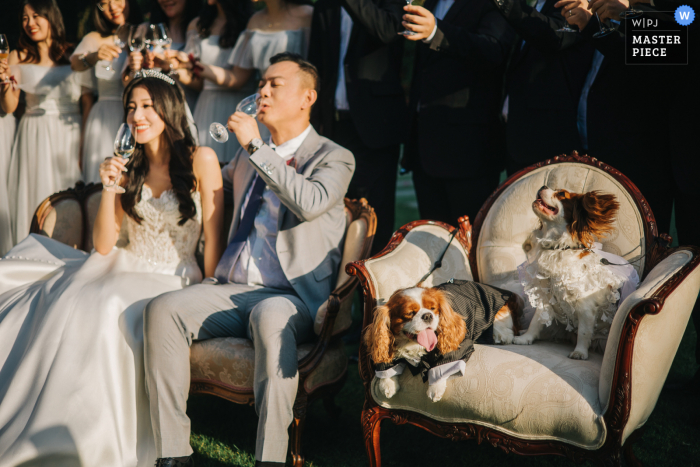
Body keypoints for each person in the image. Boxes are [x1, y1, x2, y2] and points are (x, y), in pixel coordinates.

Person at [0, 73, 224, 466]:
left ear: (168, 109)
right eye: (131, 107)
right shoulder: (127, 163)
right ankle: (47, 418)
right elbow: (103, 244)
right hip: (123, 261)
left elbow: (213, 237)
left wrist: (210, 290)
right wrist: (109, 188)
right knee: (68, 294)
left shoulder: (201, 159)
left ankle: (92, 439)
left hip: (175, 275)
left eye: (147, 106)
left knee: (104, 302)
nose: (136, 115)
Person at [143, 53, 354, 467]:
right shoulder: (247, 154)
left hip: (289, 295)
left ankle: (270, 460)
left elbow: (310, 202)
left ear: (307, 97)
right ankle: (173, 452)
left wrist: (256, 145)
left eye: (275, 84)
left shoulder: (335, 156)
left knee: (270, 318)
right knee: (162, 310)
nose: (263, 90)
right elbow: (209, 184)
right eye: (262, 83)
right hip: (233, 287)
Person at [399, 0, 515, 225]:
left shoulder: (496, 3)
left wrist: (435, 32)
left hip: (467, 146)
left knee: (467, 244)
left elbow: (492, 49)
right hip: (424, 143)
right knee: (430, 241)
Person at [308, 0, 406, 254]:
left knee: (375, 215)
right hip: (331, 125)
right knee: (331, 211)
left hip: (375, 124)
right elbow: (315, 63)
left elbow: (388, 30)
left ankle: (371, 290)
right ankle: (334, 288)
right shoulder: (325, 6)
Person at [1, 0, 89, 247]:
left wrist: (83, 146)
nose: (30, 23)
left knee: (68, 195)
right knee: (34, 195)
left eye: (36, 16)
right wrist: (4, 84)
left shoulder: (73, 54)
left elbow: (87, 103)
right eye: (25, 19)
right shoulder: (18, 56)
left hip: (69, 134)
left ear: (52, 17)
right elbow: (9, 106)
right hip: (34, 135)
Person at [491, 0, 594, 174]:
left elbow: (556, 35)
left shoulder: (576, 3)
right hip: (518, 139)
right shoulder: (536, 3)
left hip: (552, 143)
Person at [70, 0, 143, 184]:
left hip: (139, 116)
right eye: (104, 3)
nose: (112, 7)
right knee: (103, 181)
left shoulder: (142, 32)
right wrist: (94, 56)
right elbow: (75, 63)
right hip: (103, 118)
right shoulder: (95, 38)